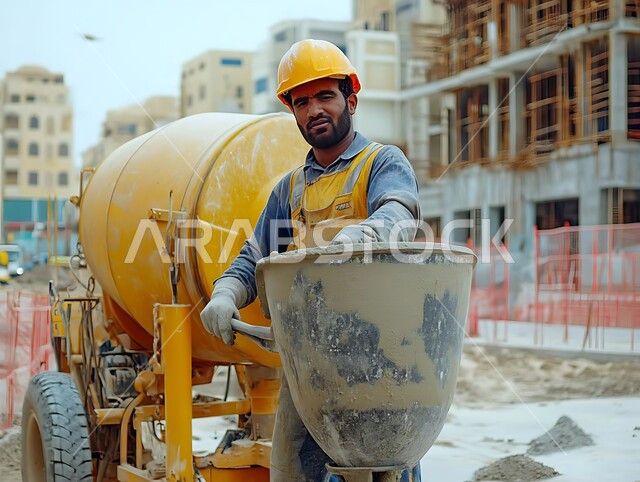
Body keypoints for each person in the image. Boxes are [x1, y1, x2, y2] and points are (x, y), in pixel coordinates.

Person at [200, 39, 422, 482]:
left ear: (350, 100)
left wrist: (360, 237)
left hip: (381, 366)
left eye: (325, 96)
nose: (314, 110)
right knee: (290, 472)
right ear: (293, 112)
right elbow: (254, 256)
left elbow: (400, 212)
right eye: (302, 102)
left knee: (381, 474)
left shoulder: (381, 163)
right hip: (309, 370)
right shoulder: (289, 191)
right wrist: (226, 292)